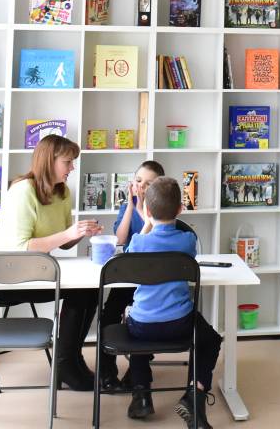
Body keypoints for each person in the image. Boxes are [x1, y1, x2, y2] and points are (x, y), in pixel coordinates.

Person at [0, 135, 102, 391]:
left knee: (90, 290)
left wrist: (80, 233)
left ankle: (70, 360)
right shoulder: (22, 191)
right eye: (67, 162)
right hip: (6, 276)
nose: (72, 167)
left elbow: (63, 243)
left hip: (35, 271)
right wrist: (68, 233)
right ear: (49, 161)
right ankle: (67, 363)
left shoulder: (62, 192)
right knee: (81, 293)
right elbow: (21, 247)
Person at [124, 177, 221, 427]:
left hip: (143, 326)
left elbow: (127, 259)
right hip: (180, 324)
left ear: (147, 210)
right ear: (180, 209)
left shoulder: (138, 243)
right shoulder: (187, 241)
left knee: (135, 333)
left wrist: (146, 224)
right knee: (210, 340)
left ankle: (141, 396)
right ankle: (195, 395)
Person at [97, 159, 165, 391]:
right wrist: (130, 206)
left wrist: (143, 209)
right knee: (109, 313)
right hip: (128, 273)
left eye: (148, 184)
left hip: (152, 279)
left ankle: (138, 370)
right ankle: (107, 370)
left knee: (144, 315)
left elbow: (154, 234)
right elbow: (120, 239)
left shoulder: (161, 208)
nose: (142, 187)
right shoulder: (129, 205)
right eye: (138, 181)